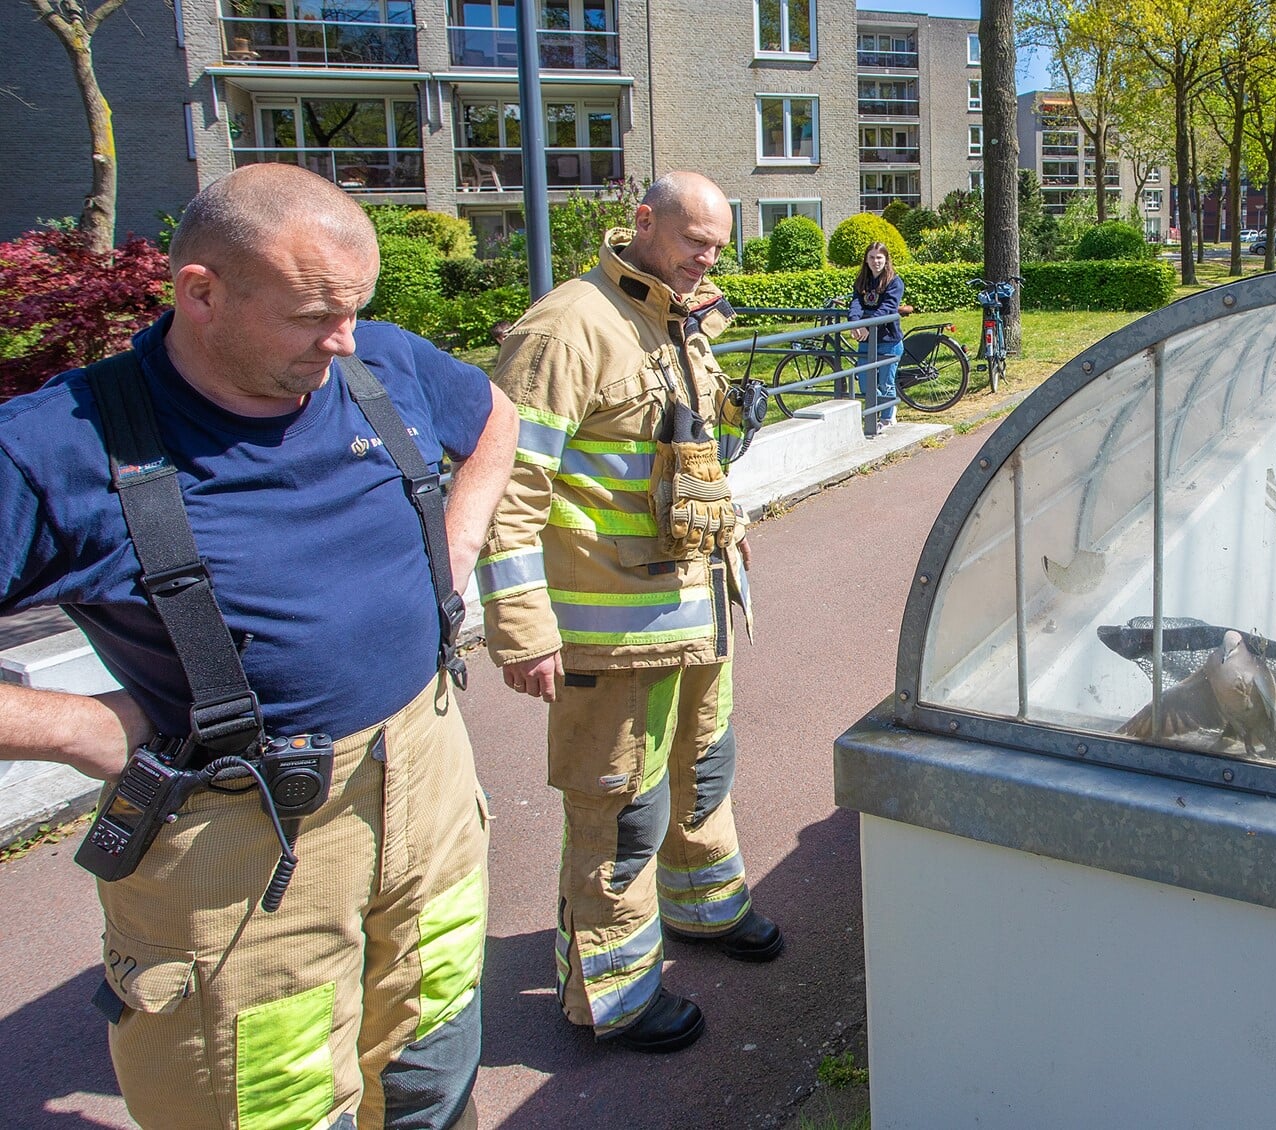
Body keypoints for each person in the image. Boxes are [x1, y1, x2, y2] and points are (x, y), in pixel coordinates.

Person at [0, 164, 517, 1129]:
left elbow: (494, 419)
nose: (343, 339)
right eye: (314, 313)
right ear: (201, 293)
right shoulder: (54, 448)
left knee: (433, 1040)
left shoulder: (381, 364)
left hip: (429, 775)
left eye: (356, 309)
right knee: (262, 1094)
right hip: (243, 833)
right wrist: (74, 725)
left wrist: (454, 548)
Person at [481, 170, 781, 1056]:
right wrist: (524, 630)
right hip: (613, 635)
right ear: (643, 223)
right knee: (621, 807)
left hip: (698, 614)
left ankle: (703, 908)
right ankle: (610, 994)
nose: (707, 260)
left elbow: (680, 451)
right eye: (695, 242)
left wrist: (728, 527)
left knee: (703, 771)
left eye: (719, 247)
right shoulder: (565, 328)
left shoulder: (677, 319)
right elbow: (505, 487)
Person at [848, 241, 904, 428]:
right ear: (866, 259)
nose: (875, 261)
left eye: (879, 257)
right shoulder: (862, 281)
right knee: (865, 381)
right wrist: (855, 323)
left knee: (885, 383)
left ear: (886, 259)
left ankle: (887, 417)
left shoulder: (894, 282)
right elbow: (856, 303)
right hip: (866, 340)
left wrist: (868, 325)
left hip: (889, 340)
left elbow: (888, 308)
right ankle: (872, 416)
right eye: (871, 257)